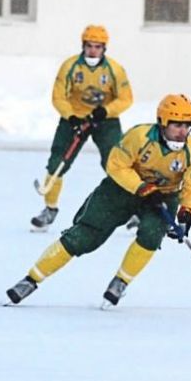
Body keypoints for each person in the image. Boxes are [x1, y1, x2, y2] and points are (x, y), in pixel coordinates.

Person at [8, 94, 191, 306]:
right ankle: (31, 279)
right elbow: (116, 165)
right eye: (176, 125)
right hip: (121, 190)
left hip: (163, 197)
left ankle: (121, 282)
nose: (182, 131)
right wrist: (143, 187)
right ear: (162, 122)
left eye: (187, 125)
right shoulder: (139, 137)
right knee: (84, 236)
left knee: (151, 234)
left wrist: (187, 213)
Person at [31, 24, 134, 232]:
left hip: (105, 120)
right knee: (57, 162)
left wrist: (105, 111)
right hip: (74, 120)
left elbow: (126, 99)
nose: (93, 50)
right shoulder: (70, 67)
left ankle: (133, 209)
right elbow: (58, 96)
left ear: (104, 48)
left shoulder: (114, 69)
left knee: (117, 163)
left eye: (97, 46)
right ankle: (49, 209)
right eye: (89, 46)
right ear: (83, 45)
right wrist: (71, 116)